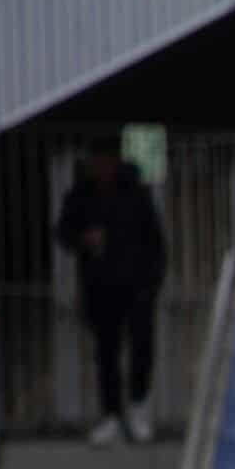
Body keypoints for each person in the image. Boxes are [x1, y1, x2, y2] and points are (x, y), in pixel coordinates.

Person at [54, 135, 167, 446]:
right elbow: (63, 232)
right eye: (95, 163)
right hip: (100, 287)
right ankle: (111, 416)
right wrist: (82, 240)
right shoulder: (80, 195)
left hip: (137, 286)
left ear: (115, 162)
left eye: (105, 162)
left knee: (142, 346)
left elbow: (155, 242)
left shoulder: (136, 194)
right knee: (106, 353)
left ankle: (139, 408)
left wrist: (152, 282)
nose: (100, 168)